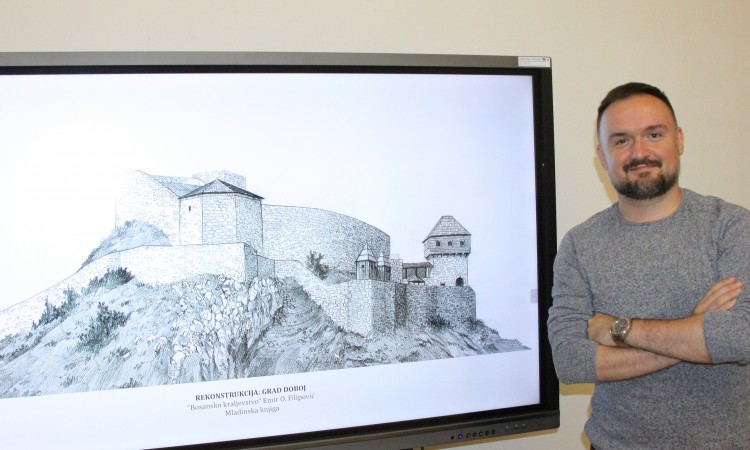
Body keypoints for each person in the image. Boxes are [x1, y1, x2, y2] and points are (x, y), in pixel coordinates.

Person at [547, 82, 750, 449]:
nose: (639, 152)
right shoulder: (580, 245)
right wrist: (695, 328)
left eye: (654, 134)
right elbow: (571, 362)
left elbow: (739, 337)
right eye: (621, 140)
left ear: (679, 140)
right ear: (602, 156)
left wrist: (620, 330)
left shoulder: (731, 226)